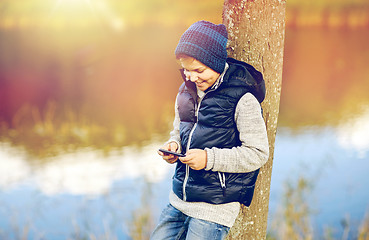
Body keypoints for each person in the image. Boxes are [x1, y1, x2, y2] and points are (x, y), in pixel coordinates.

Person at [150, 20, 269, 240]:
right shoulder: (185, 92)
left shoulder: (243, 99)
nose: (192, 77)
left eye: (198, 70)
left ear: (214, 62)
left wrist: (208, 158)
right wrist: (174, 146)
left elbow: (258, 153)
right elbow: (179, 132)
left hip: (214, 209)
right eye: (186, 70)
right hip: (178, 200)